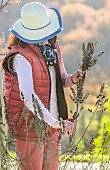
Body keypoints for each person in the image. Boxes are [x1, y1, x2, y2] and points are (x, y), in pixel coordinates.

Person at [2, 2, 84, 170]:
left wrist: (73, 78)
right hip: (28, 126)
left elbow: (61, 78)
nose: (48, 35)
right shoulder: (20, 56)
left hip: (53, 123)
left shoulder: (52, 48)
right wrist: (53, 122)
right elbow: (28, 97)